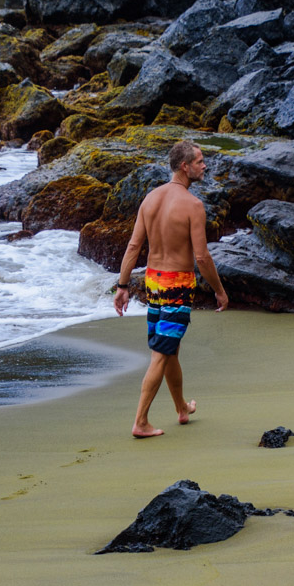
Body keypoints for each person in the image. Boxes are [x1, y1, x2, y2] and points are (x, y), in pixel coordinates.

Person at [110, 140, 229, 438]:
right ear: (185, 167)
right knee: (160, 354)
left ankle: (181, 408)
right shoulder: (192, 205)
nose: (204, 165)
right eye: (200, 161)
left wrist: (122, 286)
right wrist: (219, 290)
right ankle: (140, 422)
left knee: (169, 348)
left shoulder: (151, 199)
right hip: (177, 287)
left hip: (153, 283)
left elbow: (134, 246)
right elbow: (201, 256)